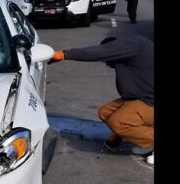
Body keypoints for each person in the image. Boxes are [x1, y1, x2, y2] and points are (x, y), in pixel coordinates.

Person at [49, 35, 154, 164]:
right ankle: (147, 142)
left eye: (107, 60)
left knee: (119, 122)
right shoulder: (129, 51)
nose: (107, 64)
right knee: (106, 112)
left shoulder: (129, 43)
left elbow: (97, 53)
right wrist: (118, 134)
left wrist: (64, 55)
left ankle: (150, 140)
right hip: (142, 97)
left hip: (150, 100)